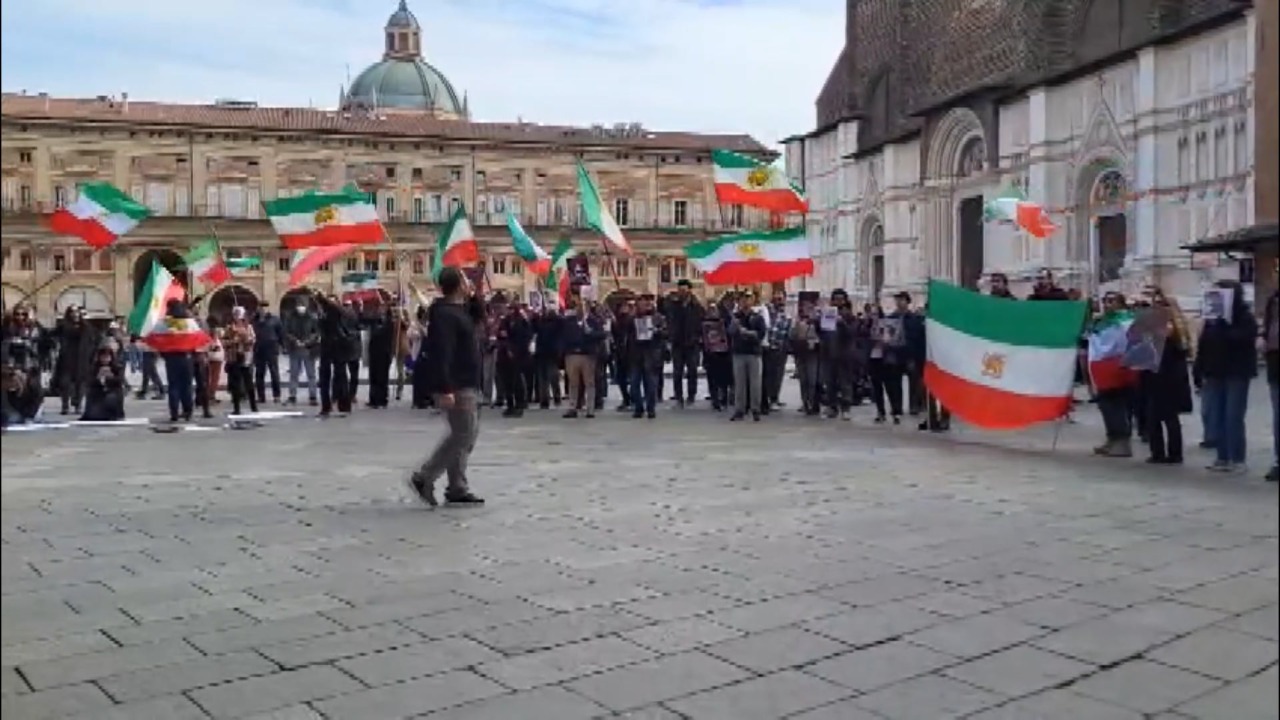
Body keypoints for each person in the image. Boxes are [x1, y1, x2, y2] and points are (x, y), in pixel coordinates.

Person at [407, 267, 484, 507]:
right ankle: (425, 476)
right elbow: (443, 353)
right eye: (464, 279)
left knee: (467, 436)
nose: (468, 282)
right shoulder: (444, 314)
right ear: (457, 284)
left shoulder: (458, 310)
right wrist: (446, 387)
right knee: (463, 434)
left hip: (468, 381)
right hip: (458, 383)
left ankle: (457, 486)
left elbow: (479, 315)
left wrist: (474, 295)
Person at [1197, 279, 1257, 473]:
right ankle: (1222, 456)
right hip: (1215, 370)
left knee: (1233, 416)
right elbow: (1204, 344)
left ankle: (1237, 458)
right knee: (1217, 415)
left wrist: (1225, 325)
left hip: (1236, 372)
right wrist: (1199, 368)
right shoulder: (1211, 319)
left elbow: (1243, 339)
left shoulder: (1245, 316)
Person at [315, 292, 360, 417]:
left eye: (332, 301)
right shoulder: (323, 314)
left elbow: (333, 308)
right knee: (324, 377)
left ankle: (344, 405)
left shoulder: (341, 312)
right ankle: (326, 406)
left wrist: (321, 296)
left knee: (341, 376)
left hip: (338, 346)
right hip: (326, 347)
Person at [728, 291, 768, 422]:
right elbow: (730, 333)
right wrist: (734, 327)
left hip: (754, 353)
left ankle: (755, 409)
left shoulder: (757, 317)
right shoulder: (735, 317)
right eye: (743, 299)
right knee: (739, 383)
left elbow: (761, 334)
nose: (746, 302)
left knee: (755, 383)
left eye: (748, 299)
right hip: (739, 352)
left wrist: (748, 333)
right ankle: (739, 409)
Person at [52, 306, 99, 416]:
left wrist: (92, 352)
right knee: (65, 383)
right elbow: (51, 334)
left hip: (82, 358)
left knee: (80, 383)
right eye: (72, 312)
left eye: (76, 312)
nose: (75, 314)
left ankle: (77, 405)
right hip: (66, 358)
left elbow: (96, 338)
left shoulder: (86, 327)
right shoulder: (63, 326)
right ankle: (65, 405)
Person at [627, 293, 667, 419]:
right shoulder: (633, 318)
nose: (646, 304)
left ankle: (651, 408)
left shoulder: (658, 317)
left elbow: (666, 332)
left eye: (648, 302)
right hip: (636, 355)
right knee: (634, 384)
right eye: (643, 302)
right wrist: (631, 316)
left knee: (650, 384)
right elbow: (624, 329)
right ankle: (639, 407)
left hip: (651, 354)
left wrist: (657, 331)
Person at [160, 299, 197, 422]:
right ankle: (188, 411)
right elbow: (198, 337)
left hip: (171, 358)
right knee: (186, 386)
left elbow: (157, 338)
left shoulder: (166, 323)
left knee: (173, 386)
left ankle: (174, 413)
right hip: (186, 357)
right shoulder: (188, 322)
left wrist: (163, 353)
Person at [282, 298, 320, 406]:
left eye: (302, 304)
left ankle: (313, 396)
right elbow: (286, 331)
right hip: (294, 349)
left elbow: (316, 332)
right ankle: (292, 396)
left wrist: (307, 342)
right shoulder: (290, 317)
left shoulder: (312, 317)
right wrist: (295, 341)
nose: (300, 307)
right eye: (299, 304)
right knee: (294, 374)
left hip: (309, 350)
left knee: (311, 374)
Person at [224, 306, 258, 416]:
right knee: (235, 384)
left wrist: (245, 338)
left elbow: (253, 340)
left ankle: (253, 406)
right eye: (235, 315)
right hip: (234, 357)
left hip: (246, 357)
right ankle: (236, 407)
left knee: (249, 382)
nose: (237, 318)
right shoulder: (229, 328)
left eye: (239, 315)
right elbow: (224, 342)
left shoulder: (248, 327)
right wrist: (233, 341)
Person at [80, 344, 126, 422]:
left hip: (113, 391)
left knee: (112, 397)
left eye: (107, 357)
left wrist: (109, 378)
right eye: (103, 357)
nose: (105, 359)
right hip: (98, 391)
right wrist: (99, 378)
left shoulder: (117, 367)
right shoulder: (95, 367)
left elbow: (120, 380)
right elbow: (89, 380)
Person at [252, 308, 284, 404]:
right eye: (260, 307)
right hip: (259, 349)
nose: (262, 310)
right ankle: (261, 396)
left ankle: (277, 395)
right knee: (259, 374)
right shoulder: (254, 320)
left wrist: (282, 345)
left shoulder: (275, 319)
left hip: (271, 349)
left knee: (274, 372)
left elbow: (280, 333)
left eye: (264, 307)